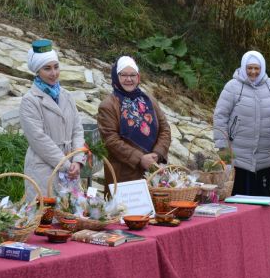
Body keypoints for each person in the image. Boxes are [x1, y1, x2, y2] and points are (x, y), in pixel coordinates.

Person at [213, 50, 270, 196]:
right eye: (250, 68)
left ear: (262, 68)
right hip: (238, 158)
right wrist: (224, 151)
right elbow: (220, 117)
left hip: (265, 157)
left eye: (256, 68)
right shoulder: (232, 87)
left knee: (262, 203)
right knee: (240, 203)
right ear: (244, 67)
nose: (253, 72)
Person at [20, 39, 85, 198]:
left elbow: (77, 130)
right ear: (37, 71)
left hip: (70, 169)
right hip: (44, 170)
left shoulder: (67, 96)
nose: (53, 73)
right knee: (46, 216)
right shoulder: (30, 101)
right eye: (47, 68)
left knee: (71, 216)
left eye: (56, 67)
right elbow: (38, 139)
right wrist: (65, 165)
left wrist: (77, 160)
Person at [97, 56, 171, 185]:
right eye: (123, 75)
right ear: (116, 76)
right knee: (123, 206)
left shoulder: (149, 100)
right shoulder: (108, 105)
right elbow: (111, 140)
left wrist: (157, 154)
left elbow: (165, 128)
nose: (129, 79)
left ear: (138, 77)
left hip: (153, 172)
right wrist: (140, 158)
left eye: (132, 75)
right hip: (123, 175)